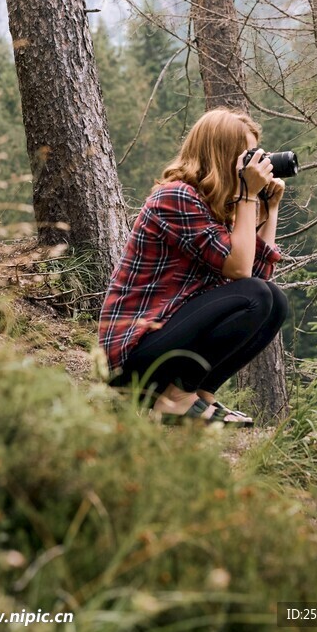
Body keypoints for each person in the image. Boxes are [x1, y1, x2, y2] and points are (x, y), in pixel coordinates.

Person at [98, 107, 289, 426]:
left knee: (275, 302)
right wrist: (247, 195)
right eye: (248, 156)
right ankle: (176, 398)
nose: (254, 165)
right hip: (131, 353)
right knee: (257, 295)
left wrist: (269, 208)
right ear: (222, 155)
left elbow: (256, 277)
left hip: (163, 342)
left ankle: (199, 393)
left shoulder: (215, 207)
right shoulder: (177, 196)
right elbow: (242, 274)